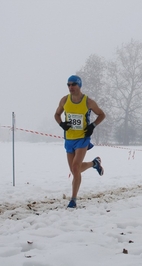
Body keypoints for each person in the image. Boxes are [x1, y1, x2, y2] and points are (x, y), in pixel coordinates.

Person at [54, 75, 106, 208]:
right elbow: (56, 114)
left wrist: (92, 126)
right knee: (74, 170)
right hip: (69, 139)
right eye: (68, 85)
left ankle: (73, 199)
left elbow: (102, 114)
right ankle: (94, 163)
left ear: (79, 85)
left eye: (73, 84)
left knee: (76, 167)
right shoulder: (65, 100)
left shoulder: (88, 102)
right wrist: (62, 124)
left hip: (82, 138)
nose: (70, 87)